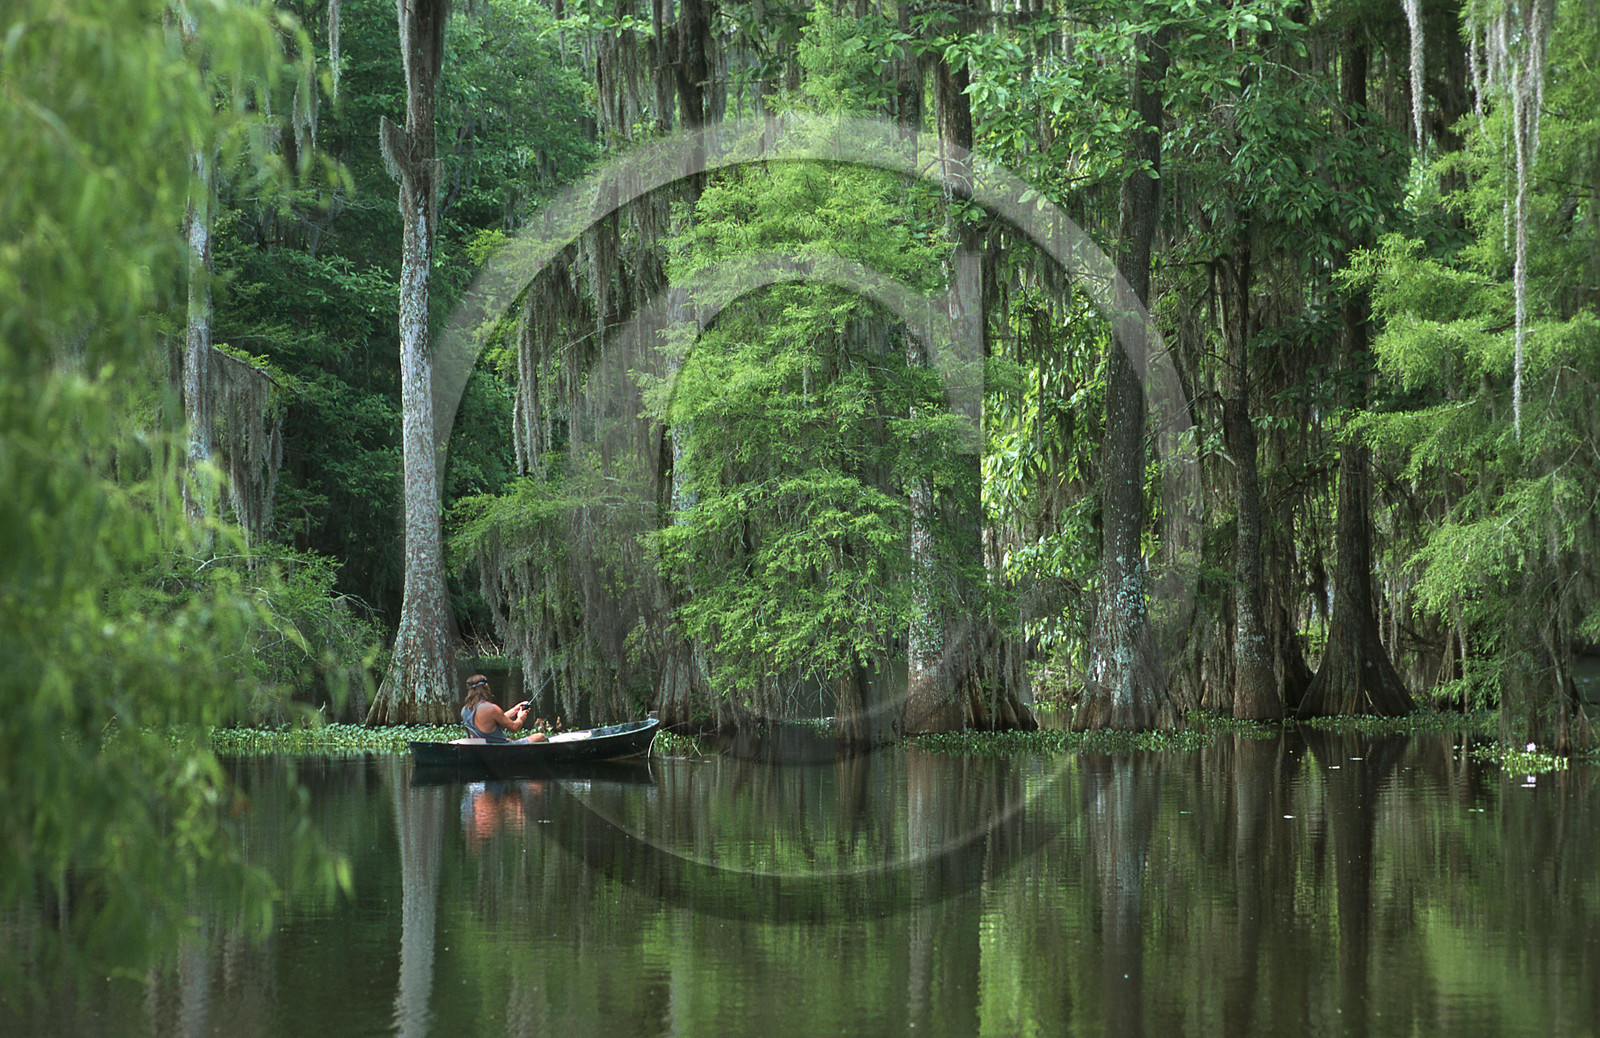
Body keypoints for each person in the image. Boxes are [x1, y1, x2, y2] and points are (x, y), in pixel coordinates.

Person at [460, 674, 547, 743]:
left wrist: (515, 709)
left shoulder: (464, 710)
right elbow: (514, 727)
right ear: (486, 687)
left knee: (510, 740)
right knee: (540, 736)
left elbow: (496, 719)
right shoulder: (492, 708)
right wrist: (521, 718)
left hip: (485, 748)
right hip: (500, 749)